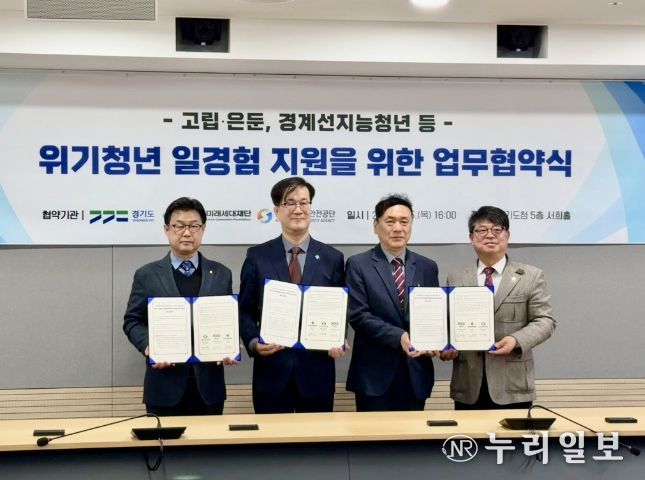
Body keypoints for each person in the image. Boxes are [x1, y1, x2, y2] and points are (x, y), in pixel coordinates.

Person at [239, 177, 346, 413]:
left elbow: (340, 309)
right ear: (277, 211)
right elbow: (244, 309)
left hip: (317, 374)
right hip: (271, 374)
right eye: (290, 203)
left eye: (304, 203)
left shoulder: (332, 258)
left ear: (311, 208)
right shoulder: (257, 256)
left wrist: (339, 338)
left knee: (317, 436)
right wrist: (254, 343)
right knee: (272, 437)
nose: (298, 209)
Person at [123, 197, 236, 416]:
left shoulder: (222, 274)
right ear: (167, 229)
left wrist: (231, 345)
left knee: (209, 439)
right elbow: (132, 321)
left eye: (194, 226)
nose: (186, 233)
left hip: (208, 388)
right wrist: (149, 346)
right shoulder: (147, 275)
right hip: (163, 386)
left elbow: (226, 318)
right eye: (179, 226)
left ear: (203, 229)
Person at [441, 205, 556, 410]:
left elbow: (545, 321)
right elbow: (448, 322)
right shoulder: (456, 277)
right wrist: (446, 345)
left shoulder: (530, 276)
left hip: (513, 385)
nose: (490, 235)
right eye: (482, 230)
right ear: (471, 237)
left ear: (507, 235)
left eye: (497, 229)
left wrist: (516, 340)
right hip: (468, 385)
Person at [345, 194, 438, 411]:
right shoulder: (358, 264)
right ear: (375, 225)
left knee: (413, 434)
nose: (398, 228)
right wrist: (400, 337)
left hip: (416, 374)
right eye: (390, 221)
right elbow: (358, 316)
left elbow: (433, 314)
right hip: (374, 376)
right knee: (373, 434)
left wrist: (437, 340)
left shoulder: (427, 267)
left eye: (404, 222)